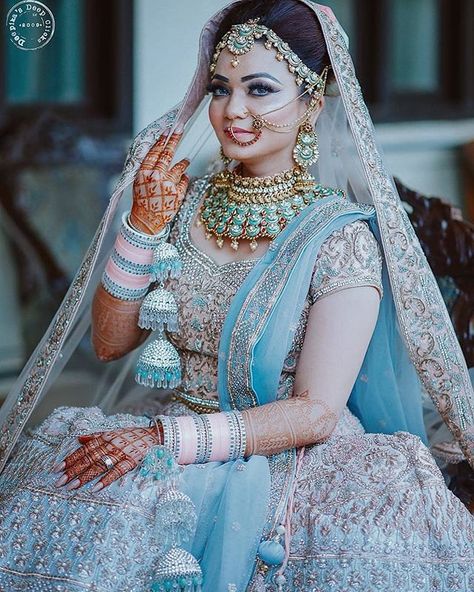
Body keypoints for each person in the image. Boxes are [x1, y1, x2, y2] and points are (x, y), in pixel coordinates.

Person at [0, 1, 473, 590]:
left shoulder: (340, 238)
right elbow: (109, 343)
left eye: (260, 89)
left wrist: (164, 441)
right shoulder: (181, 203)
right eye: (220, 89)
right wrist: (143, 228)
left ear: (311, 105)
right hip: (171, 433)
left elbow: (316, 412)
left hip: (292, 457)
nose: (233, 111)